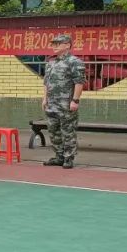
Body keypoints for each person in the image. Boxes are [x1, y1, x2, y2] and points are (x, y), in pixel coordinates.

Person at [42, 33, 86, 169]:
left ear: (67, 45)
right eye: (53, 44)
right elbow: (46, 83)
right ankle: (59, 156)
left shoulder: (75, 62)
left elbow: (79, 82)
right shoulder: (51, 63)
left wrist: (75, 100)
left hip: (66, 104)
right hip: (52, 103)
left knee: (68, 131)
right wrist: (45, 99)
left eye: (57, 44)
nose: (54, 46)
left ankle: (68, 158)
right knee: (53, 130)